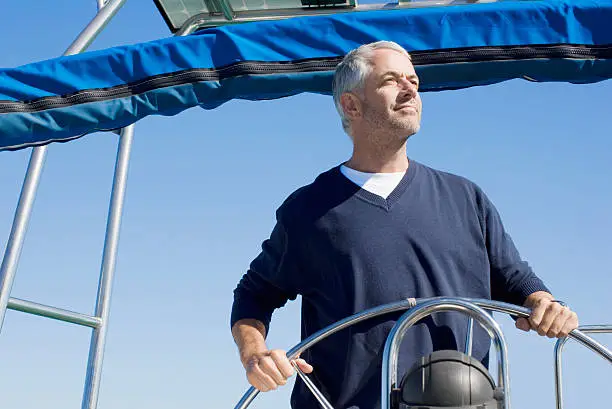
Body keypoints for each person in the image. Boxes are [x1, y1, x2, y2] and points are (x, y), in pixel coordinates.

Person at [230, 41, 579, 409]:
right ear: (351, 105)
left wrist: (547, 304)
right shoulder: (307, 210)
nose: (411, 89)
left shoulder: (465, 197)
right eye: (391, 80)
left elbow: (516, 280)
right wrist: (255, 356)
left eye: (413, 80)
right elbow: (253, 294)